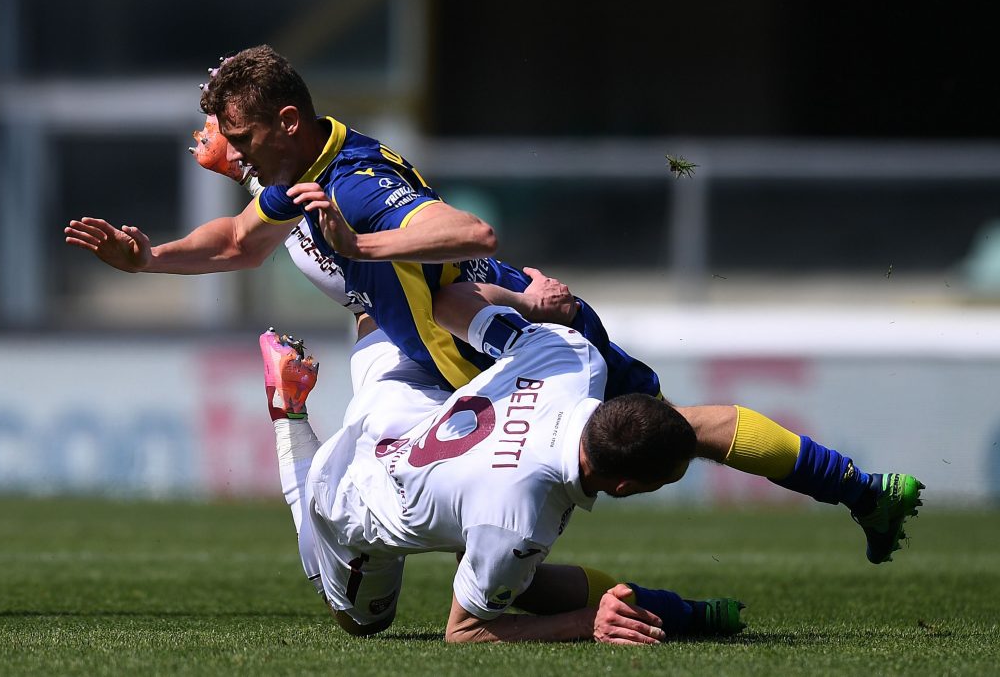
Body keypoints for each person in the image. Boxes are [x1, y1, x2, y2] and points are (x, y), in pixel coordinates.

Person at [64, 45, 923, 565]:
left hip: (506, 346)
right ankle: (864, 493)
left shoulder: (355, 189)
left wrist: (364, 254)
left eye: (243, 136)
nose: (238, 154)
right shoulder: (304, 172)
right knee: (668, 429)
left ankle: (600, 610)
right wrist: (146, 259)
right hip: (490, 337)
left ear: (287, 121)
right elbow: (237, 241)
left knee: (623, 457)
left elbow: (470, 228)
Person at [263, 283, 745, 642]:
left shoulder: (575, 359)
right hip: (355, 492)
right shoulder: (517, 523)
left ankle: (280, 181)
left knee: (375, 299)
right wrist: (585, 623)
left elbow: (452, 302)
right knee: (363, 622)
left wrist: (528, 298)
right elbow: (464, 632)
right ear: (623, 487)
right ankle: (289, 410)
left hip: (412, 411)